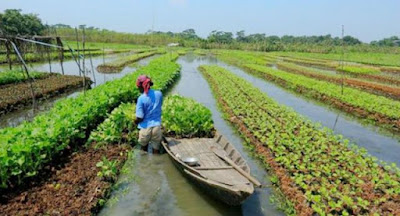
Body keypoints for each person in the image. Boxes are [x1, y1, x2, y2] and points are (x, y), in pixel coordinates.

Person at [135, 75, 163, 154]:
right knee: (156, 150)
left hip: (145, 128)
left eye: (138, 87)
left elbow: (140, 117)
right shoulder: (159, 94)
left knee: (143, 149)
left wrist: (135, 122)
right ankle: (156, 164)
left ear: (141, 87)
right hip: (157, 127)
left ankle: (144, 165)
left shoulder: (141, 98)